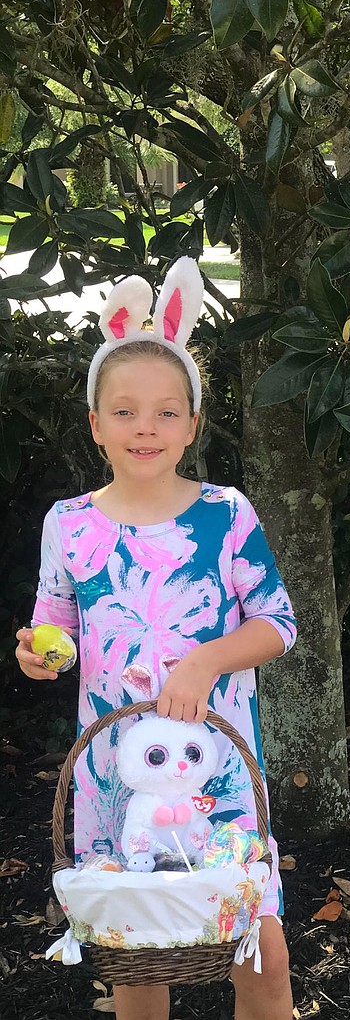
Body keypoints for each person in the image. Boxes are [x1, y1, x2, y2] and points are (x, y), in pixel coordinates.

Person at [15, 257, 296, 1020]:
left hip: (222, 771)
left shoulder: (224, 513)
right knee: (138, 962)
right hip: (114, 777)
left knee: (263, 958)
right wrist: (40, 652)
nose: (147, 426)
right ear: (96, 423)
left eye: (168, 411)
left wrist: (207, 658)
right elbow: (56, 627)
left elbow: (278, 621)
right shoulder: (69, 524)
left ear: (193, 424)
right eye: (127, 410)